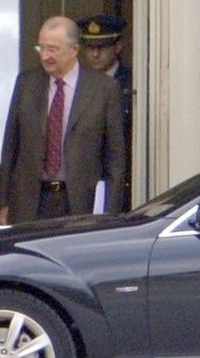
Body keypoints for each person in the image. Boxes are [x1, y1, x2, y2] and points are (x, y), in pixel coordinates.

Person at [0, 16, 126, 224]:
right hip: (30, 202)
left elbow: (115, 159)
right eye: (42, 48)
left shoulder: (104, 89)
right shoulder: (26, 84)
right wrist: (3, 203)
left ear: (74, 50)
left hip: (80, 203)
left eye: (53, 50)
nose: (46, 56)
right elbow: (11, 144)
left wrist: (109, 213)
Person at [77, 14, 132, 211]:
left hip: (121, 183)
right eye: (90, 47)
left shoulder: (130, 83)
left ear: (118, 47)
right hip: (83, 185)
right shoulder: (75, 84)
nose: (95, 54)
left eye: (102, 47)